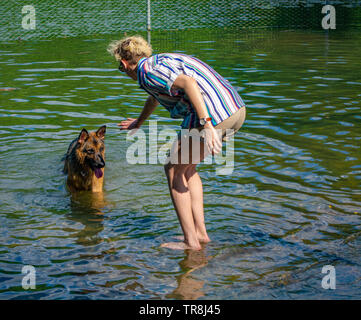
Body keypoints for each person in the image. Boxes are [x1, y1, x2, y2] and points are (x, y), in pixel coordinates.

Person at [108, 36, 246, 250]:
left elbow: (188, 83)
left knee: (172, 169)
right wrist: (139, 121)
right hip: (235, 108)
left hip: (213, 115)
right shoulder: (159, 62)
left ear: (125, 64)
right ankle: (200, 234)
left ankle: (191, 242)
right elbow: (155, 97)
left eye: (120, 68)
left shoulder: (146, 73)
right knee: (187, 169)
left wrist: (207, 124)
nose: (122, 71)